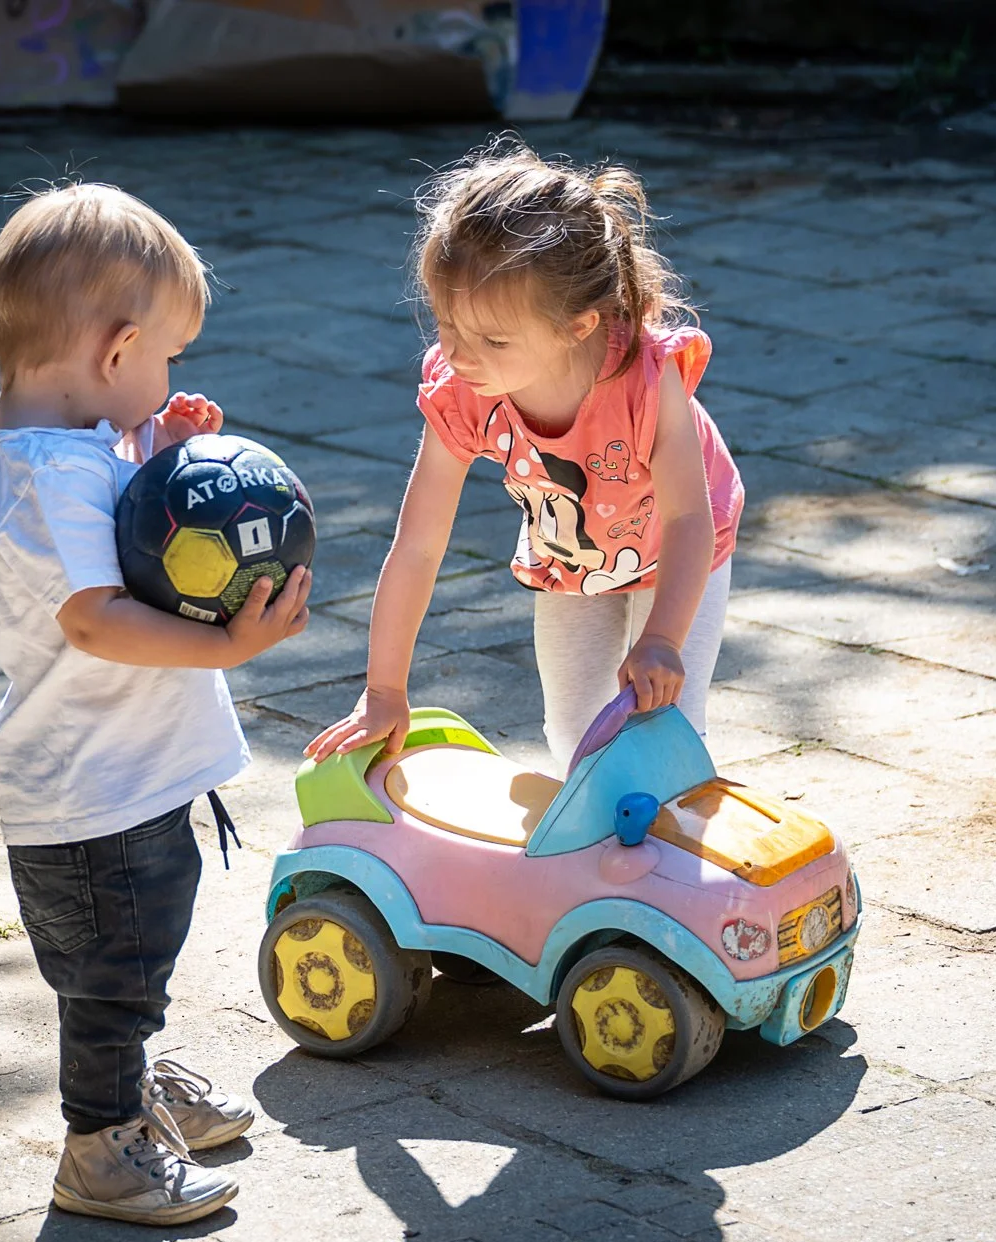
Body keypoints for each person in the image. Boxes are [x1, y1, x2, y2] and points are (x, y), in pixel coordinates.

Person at [0, 183, 311, 1225]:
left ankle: (133, 1084)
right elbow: (94, 616)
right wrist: (228, 642)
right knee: (113, 974)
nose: (169, 377)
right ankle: (102, 1147)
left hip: (113, 774)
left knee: (130, 962)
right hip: (94, 790)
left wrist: (157, 458)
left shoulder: (38, 447)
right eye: (165, 356)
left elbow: (114, 537)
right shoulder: (56, 474)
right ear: (115, 352)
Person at [307, 137, 743, 771]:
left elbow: (688, 518)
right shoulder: (463, 390)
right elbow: (419, 545)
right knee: (573, 729)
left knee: (666, 720)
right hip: (574, 555)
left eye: (493, 339)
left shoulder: (646, 378)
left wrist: (662, 639)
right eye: (446, 325)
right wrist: (384, 692)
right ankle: (594, 825)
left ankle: (670, 823)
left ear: (578, 326)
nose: (459, 354)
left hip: (683, 548)